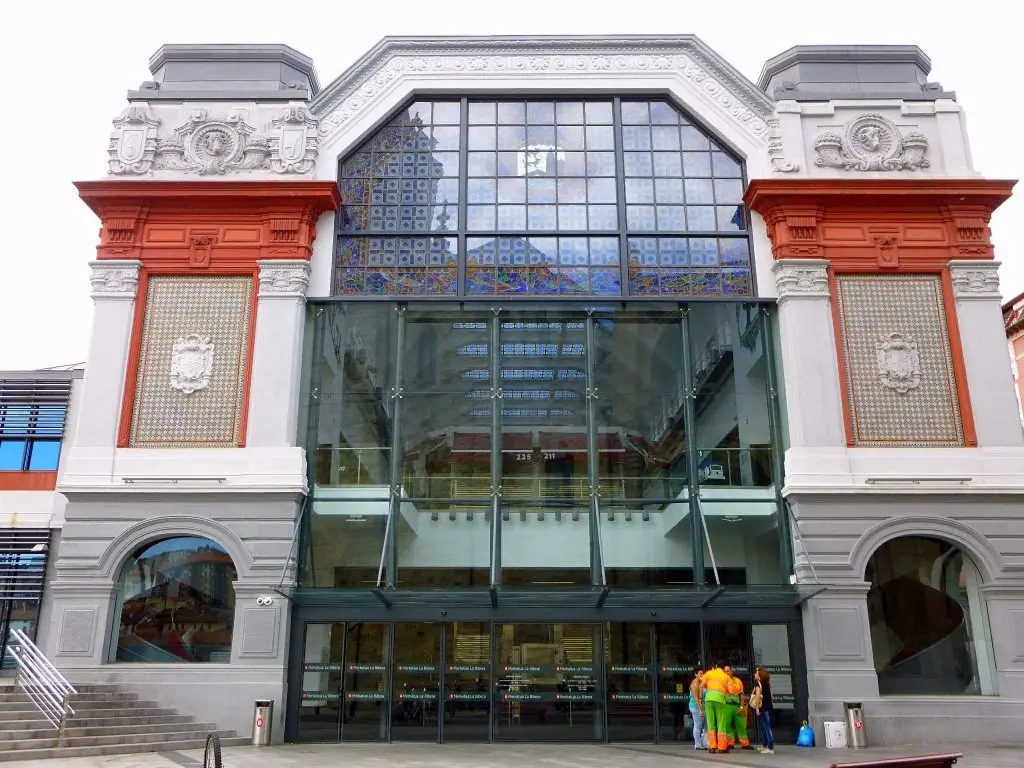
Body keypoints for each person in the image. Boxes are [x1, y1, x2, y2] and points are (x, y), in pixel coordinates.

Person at [702, 661, 731, 754]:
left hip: (709, 699)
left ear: (716, 666)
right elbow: (730, 691)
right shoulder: (726, 676)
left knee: (710, 723)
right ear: (723, 668)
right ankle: (722, 748)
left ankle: (712, 746)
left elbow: (702, 684)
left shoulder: (709, 673)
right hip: (720, 700)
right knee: (721, 723)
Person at [726, 667, 752, 750]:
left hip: (737, 705)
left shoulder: (738, 681)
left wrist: (741, 706)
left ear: (731, 671)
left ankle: (745, 743)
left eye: (728, 671)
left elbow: (741, 695)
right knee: (726, 725)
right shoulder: (723, 682)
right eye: (725, 671)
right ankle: (730, 743)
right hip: (727, 705)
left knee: (741, 725)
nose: (727, 672)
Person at [753, 666, 775, 755]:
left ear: (759, 676)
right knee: (765, 727)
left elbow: (758, 696)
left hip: (763, 708)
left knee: (766, 728)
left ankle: (770, 747)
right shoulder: (766, 684)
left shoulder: (758, 684)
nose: (755, 674)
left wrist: (757, 707)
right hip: (769, 707)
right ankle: (765, 745)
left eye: (756, 673)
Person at [688, 668, 706, 749]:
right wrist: (700, 709)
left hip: (704, 706)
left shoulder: (703, 683)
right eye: (700, 673)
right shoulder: (694, 684)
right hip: (696, 707)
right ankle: (697, 744)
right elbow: (696, 698)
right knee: (698, 725)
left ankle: (704, 743)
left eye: (702, 673)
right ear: (696, 674)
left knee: (705, 726)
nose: (702, 675)